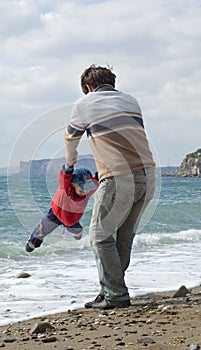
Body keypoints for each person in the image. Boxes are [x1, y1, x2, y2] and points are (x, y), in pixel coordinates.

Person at [64, 64, 156, 309]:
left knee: (100, 237)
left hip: (118, 177)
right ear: (112, 83)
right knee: (123, 238)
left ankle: (115, 295)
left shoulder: (85, 103)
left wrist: (70, 164)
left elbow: (71, 137)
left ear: (89, 87)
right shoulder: (131, 101)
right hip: (148, 176)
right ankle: (110, 290)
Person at [25, 164, 98, 252]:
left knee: (76, 230)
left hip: (72, 219)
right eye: (82, 190)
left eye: (87, 190)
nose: (85, 193)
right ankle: (32, 242)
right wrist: (67, 170)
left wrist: (100, 175)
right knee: (42, 228)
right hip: (55, 214)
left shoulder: (88, 192)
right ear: (73, 184)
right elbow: (63, 178)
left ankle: (78, 232)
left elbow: (97, 181)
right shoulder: (65, 188)